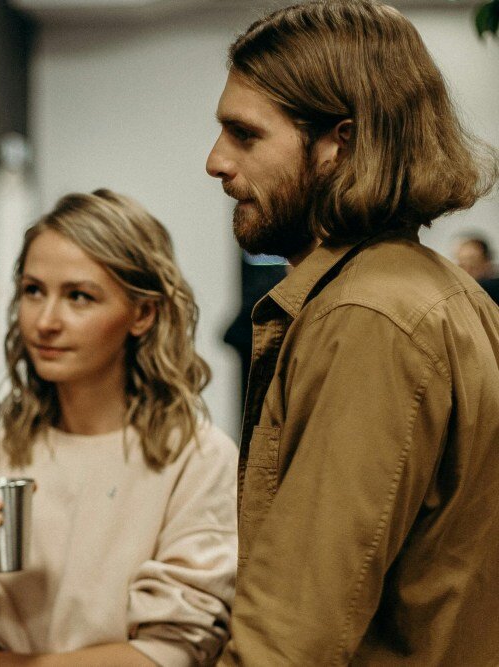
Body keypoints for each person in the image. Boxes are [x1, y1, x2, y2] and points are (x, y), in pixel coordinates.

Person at [205, 1, 499, 664]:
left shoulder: (366, 319)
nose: (215, 161)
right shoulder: (444, 296)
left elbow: (287, 640)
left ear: (340, 142)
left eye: (244, 135)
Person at [0, 189, 238, 666]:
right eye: (33, 291)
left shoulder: (196, 458)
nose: (46, 322)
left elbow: (170, 654)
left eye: (79, 297)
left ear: (143, 313)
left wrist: (9, 664)